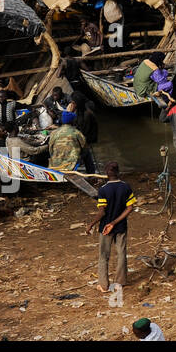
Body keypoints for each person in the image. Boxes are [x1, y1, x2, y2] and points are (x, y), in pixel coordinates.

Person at [89, 163, 136, 294]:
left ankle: (103, 285)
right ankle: (119, 282)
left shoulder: (103, 189)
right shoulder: (126, 187)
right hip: (121, 226)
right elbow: (130, 208)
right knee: (121, 253)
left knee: (104, 255)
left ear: (106, 174)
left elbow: (102, 212)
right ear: (118, 172)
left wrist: (91, 224)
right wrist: (115, 222)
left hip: (105, 227)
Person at [74, 98, 100, 173]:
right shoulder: (81, 113)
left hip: (86, 138)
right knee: (87, 155)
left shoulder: (87, 114)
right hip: (84, 138)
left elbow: (87, 129)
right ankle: (91, 172)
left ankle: (91, 172)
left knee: (87, 154)